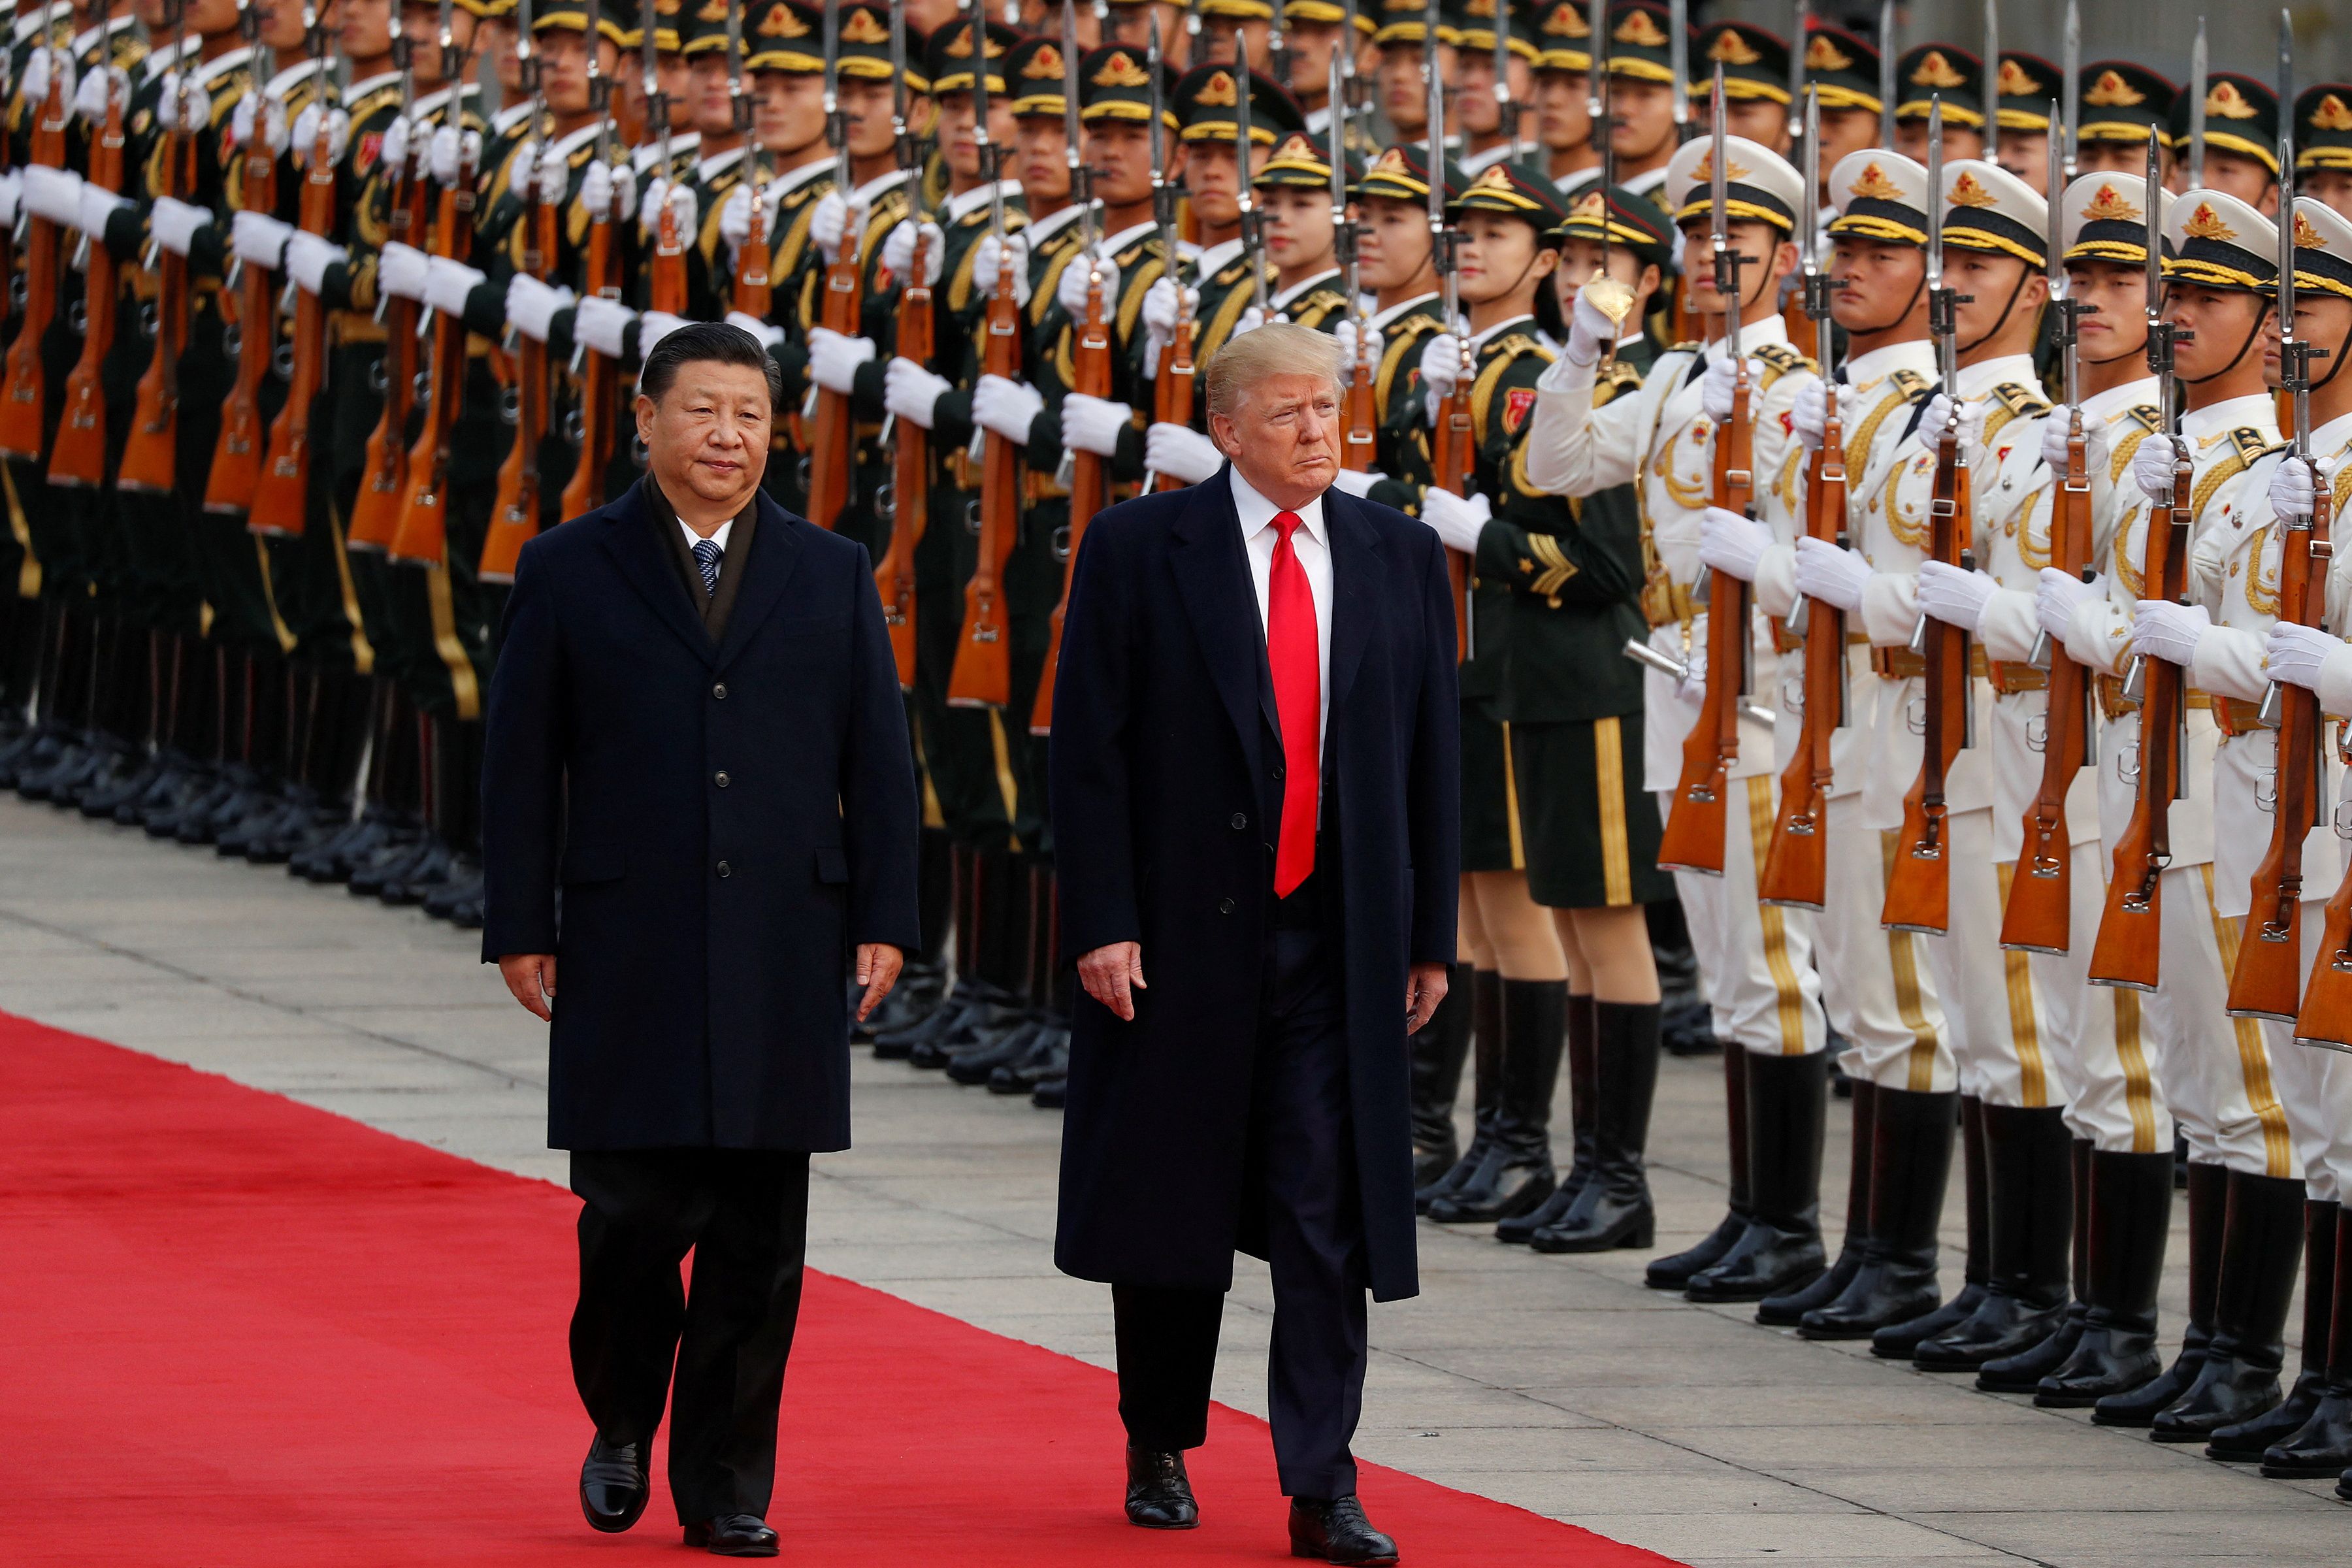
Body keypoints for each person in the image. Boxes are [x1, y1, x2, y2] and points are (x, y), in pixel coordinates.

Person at [479, 322, 921, 1558]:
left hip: (789, 935)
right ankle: (620, 1415)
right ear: (647, 419)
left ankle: (727, 1484)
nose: (729, 438)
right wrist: (521, 922)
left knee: (758, 1236)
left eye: (752, 418)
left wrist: (886, 914)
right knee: (628, 1218)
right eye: (705, 412)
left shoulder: (829, 569)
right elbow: (522, 766)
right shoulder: (569, 566)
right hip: (632, 937)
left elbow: (877, 761)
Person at [1047, 321, 1458, 1565]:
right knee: (1173, 1202)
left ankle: (1321, 1480)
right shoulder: (1137, 549)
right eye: (1286, 415)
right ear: (1224, 430)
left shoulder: (1397, 553)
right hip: (1178, 940)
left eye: (1328, 410)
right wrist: (1104, 919)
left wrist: (1425, 931)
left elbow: (1429, 754)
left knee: (1327, 1210)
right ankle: (1159, 1433)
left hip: (1334, 940)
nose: (1317, 433)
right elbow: (1090, 754)